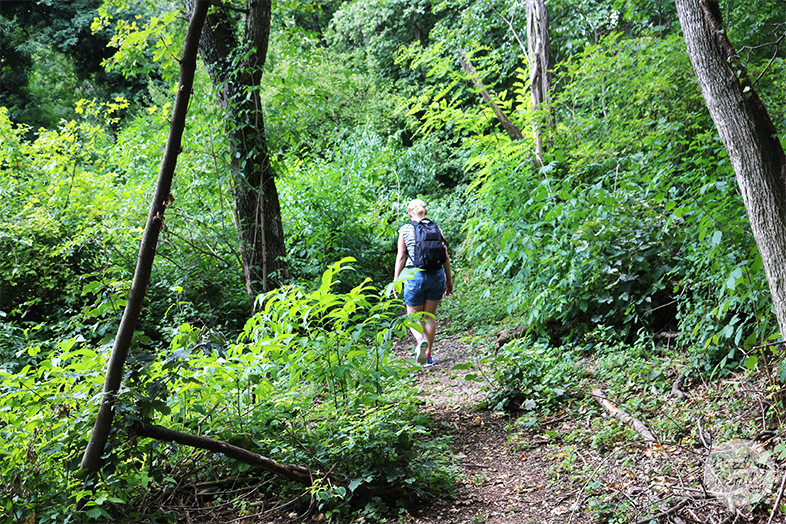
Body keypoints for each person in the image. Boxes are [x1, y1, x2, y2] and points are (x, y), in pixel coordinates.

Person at [393, 199, 453, 366]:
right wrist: (449, 280)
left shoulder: (405, 229)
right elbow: (445, 257)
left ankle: (420, 340)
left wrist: (396, 280)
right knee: (429, 317)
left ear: (410, 214)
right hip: (436, 276)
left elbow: (401, 257)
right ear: (425, 212)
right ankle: (428, 356)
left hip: (414, 277)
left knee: (412, 316)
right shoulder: (436, 228)